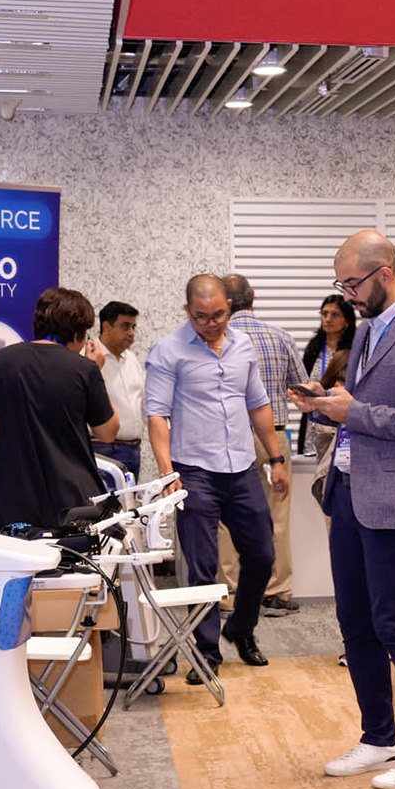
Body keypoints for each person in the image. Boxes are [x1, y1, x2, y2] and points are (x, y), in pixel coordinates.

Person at [295, 231, 395, 789]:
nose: (346, 295)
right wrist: (324, 404)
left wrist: (354, 412)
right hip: (349, 491)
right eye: (340, 284)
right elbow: (361, 411)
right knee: (355, 621)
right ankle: (380, 738)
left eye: (352, 284)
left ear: (383, 273)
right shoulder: (367, 329)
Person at [145, 274, 288, 679]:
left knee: (262, 556)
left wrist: (276, 458)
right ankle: (206, 652)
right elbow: (157, 416)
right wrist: (168, 474)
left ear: (230, 307)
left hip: (242, 468)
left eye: (219, 315)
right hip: (194, 471)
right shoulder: (168, 351)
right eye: (201, 317)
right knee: (202, 566)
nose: (212, 324)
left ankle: (241, 627)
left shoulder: (243, 346)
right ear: (187, 311)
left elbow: (258, 404)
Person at [0, 287, 118, 531]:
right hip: (70, 499)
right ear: (77, 333)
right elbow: (108, 432)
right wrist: (95, 373)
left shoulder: (1, 361)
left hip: (11, 499)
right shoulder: (84, 369)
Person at [221, 274, 304, 618]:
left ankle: (230, 593)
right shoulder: (279, 336)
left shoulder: (219, 339)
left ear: (224, 302)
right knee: (277, 515)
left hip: (229, 437)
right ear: (253, 295)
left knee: (227, 518)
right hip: (274, 437)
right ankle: (276, 592)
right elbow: (301, 386)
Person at [296, 294, 357, 456]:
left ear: (347, 320)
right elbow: (304, 380)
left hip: (341, 421)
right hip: (314, 421)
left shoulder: (355, 349)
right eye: (324, 314)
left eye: (335, 314)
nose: (328, 319)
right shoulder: (314, 348)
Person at [92, 301, 145, 479]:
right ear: (107, 327)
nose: (131, 333)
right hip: (104, 449)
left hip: (133, 450)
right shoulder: (90, 357)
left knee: (129, 498)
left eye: (133, 327)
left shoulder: (132, 359)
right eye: (125, 326)